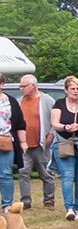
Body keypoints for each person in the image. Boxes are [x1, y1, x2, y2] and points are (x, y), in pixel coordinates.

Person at [51, 76, 78, 221]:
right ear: (66, 90)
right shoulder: (59, 104)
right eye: (72, 89)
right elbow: (55, 123)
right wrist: (65, 127)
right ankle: (69, 208)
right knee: (67, 176)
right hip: (64, 144)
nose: (75, 91)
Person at [15, 75, 56, 210]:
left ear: (33, 86)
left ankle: (49, 201)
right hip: (24, 145)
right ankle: (25, 201)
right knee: (23, 172)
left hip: (41, 144)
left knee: (46, 173)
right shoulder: (19, 101)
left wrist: (51, 135)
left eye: (23, 86)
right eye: (20, 86)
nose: (21, 89)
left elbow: (54, 120)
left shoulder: (47, 100)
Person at [0, 75, 26, 213]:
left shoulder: (11, 101)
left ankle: (6, 205)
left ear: (2, 84)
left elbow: (20, 124)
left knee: (5, 174)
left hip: (6, 142)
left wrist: (23, 142)